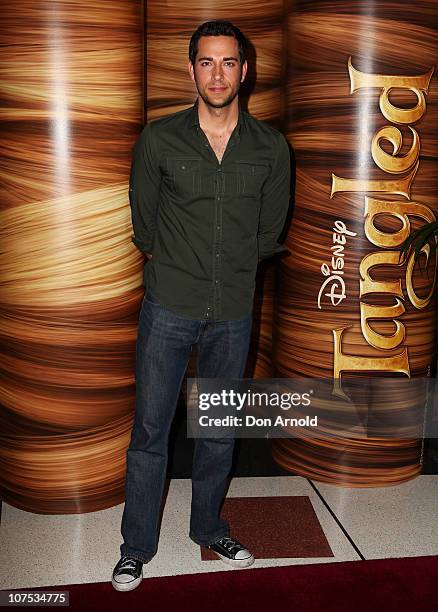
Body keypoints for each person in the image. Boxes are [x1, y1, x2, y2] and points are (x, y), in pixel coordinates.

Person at [111, 19, 291, 592]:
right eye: (207, 62)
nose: (218, 73)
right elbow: (145, 226)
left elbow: (269, 233)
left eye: (229, 62)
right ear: (191, 70)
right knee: (150, 431)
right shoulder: (159, 140)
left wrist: (227, 272)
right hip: (169, 306)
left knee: (217, 430)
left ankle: (210, 528)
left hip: (234, 309)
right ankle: (136, 547)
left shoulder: (270, 148)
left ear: (245, 70)